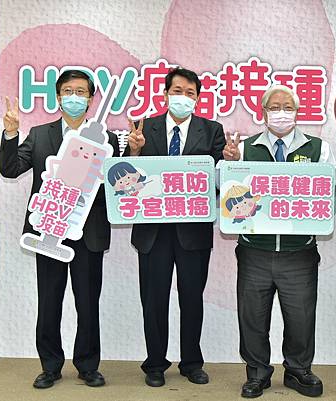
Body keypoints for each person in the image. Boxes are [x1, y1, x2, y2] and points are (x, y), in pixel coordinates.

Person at [0, 70, 120, 389]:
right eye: (68, 91)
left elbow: (115, 187)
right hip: (49, 231)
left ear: (90, 99)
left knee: (87, 303)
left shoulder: (107, 139)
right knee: (49, 301)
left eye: (81, 91)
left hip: (88, 233)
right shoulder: (40, 135)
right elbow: (10, 169)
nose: (74, 97)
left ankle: (88, 366)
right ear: (58, 97)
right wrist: (10, 133)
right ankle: (50, 366)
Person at [222, 84, 336, 398]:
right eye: (274, 107)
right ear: (263, 113)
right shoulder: (244, 148)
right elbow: (225, 193)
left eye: (287, 107)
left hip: (298, 252)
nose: (281, 113)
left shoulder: (318, 148)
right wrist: (229, 164)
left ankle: (298, 370)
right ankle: (257, 373)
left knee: (301, 317)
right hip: (254, 250)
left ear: (297, 112)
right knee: (252, 317)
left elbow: (328, 190)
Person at [123, 67, 225, 387]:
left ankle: (191, 362)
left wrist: (231, 161)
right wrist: (135, 149)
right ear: (166, 94)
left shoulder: (212, 130)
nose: (183, 97)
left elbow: (220, 181)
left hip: (192, 230)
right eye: (177, 91)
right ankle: (155, 363)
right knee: (153, 300)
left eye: (190, 93)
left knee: (191, 298)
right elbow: (125, 178)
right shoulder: (145, 127)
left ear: (198, 99)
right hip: (153, 229)